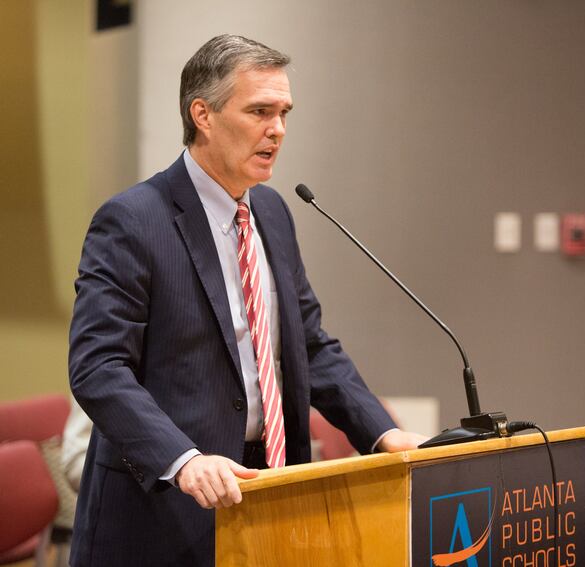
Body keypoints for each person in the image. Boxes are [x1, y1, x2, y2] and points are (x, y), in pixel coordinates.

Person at [68, 34, 425, 567]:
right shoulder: (133, 220)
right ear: (203, 114)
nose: (277, 130)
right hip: (166, 506)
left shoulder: (273, 212)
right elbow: (98, 367)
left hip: (272, 491)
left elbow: (310, 344)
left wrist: (382, 432)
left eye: (283, 113)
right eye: (259, 111)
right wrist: (183, 459)